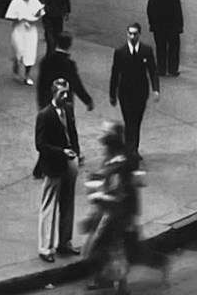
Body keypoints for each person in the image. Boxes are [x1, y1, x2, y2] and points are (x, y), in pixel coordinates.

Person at [82, 124, 142, 294]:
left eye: (105, 132)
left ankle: (118, 285)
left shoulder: (120, 160)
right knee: (109, 246)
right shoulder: (115, 156)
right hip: (113, 210)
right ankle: (107, 280)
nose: (101, 135)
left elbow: (121, 189)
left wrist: (98, 194)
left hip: (116, 212)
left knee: (111, 246)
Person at [34, 79, 81, 264]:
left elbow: (73, 131)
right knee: (49, 205)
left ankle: (65, 242)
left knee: (68, 203)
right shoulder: (45, 115)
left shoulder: (68, 109)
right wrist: (61, 152)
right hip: (54, 164)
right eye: (62, 93)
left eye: (67, 92)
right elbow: (40, 145)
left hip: (70, 161)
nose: (66, 96)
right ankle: (45, 247)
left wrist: (76, 152)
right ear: (54, 94)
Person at [109, 22, 160, 162]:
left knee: (136, 121)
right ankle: (130, 150)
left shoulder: (146, 50)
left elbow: (153, 71)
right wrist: (112, 94)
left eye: (135, 34)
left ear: (139, 34)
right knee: (128, 121)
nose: (132, 36)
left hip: (140, 92)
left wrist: (156, 89)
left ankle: (133, 149)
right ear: (127, 34)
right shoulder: (120, 52)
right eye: (130, 33)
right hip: (125, 93)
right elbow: (115, 74)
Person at [36, 31, 94, 113]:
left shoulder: (45, 61)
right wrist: (87, 101)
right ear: (69, 45)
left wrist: (41, 103)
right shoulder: (69, 65)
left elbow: (41, 84)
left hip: (47, 103)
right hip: (64, 104)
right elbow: (77, 85)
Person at [6, 0, 46, 85]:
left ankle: (27, 75)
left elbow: (40, 14)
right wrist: (19, 18)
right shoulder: (15, 2)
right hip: (19, 30)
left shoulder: (35, 1)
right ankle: (16, 67)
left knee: (30, 53)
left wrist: (36, 14)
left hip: (31, 31)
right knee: (19, 52)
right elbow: (8, 16)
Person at [146, 0, 183, 76]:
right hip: (172, 27)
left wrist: (152, 23)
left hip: (159, 27)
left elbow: (150, 9)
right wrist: (180, 26)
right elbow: (178, 12)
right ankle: (172, 69)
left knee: (160, 48)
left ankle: (161, 69)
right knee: (173, 48)